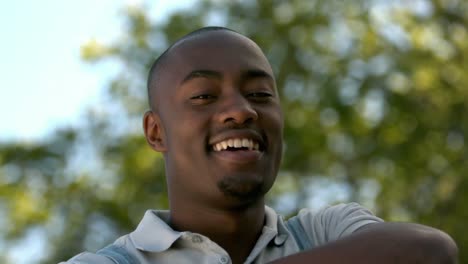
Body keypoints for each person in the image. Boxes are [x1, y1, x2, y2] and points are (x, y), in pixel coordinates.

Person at [61, 27, 458, 264]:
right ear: (155, 132)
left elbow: (427, 251)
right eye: (203, 96)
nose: (241, 110)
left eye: (260, 93)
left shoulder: (326, 232)